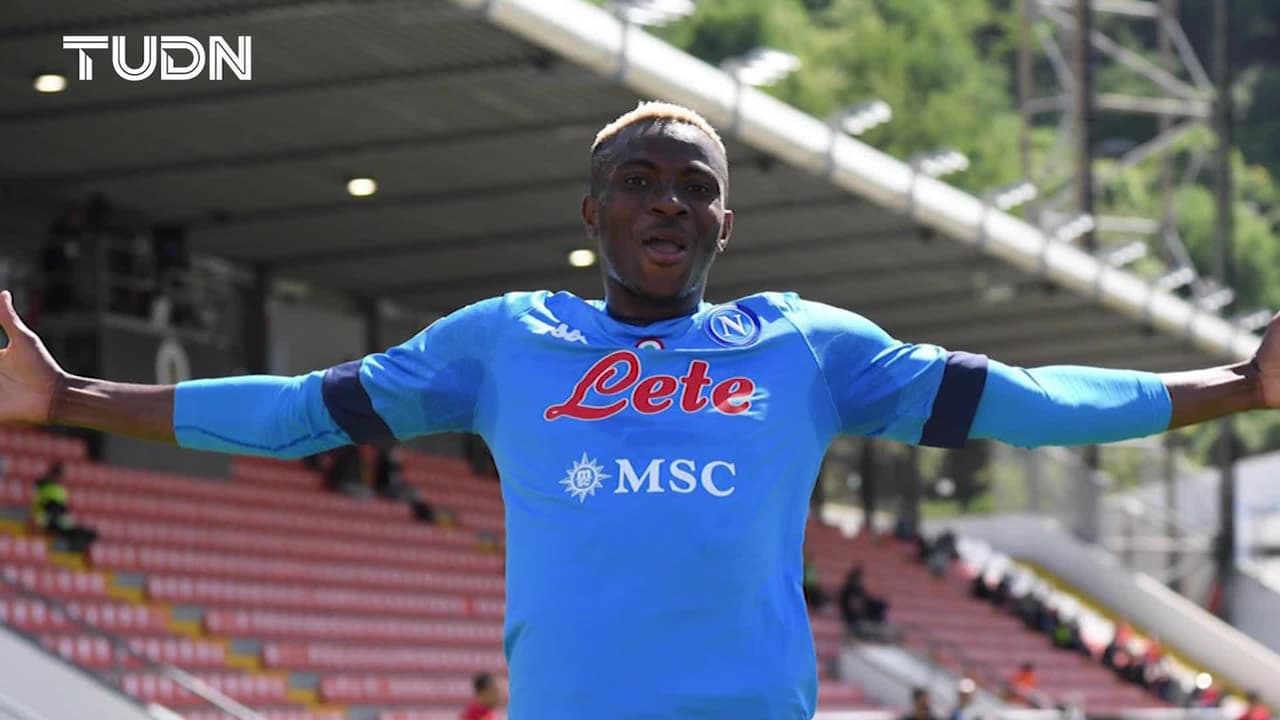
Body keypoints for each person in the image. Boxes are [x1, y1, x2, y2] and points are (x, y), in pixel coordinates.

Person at [0, 100, 1277, 719]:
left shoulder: (804, 346)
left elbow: (1024, 404)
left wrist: (1232, 387)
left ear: (724, 221)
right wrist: (65, 396)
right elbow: (294, 413)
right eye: (638, 179)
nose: (667, 200)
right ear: (592, 212)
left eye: (694, 186)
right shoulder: (504, 342)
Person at [29, 462, 98, 553]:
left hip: (56, 519)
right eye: (60, 476)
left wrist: (67, 519)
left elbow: (62, 509)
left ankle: (72, 549)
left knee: (88, 533)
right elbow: (50, 508)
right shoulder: (46, 487)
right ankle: (68, 549)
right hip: (48, 519)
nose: (61, 478)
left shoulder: (58, 489)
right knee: (78, 532)